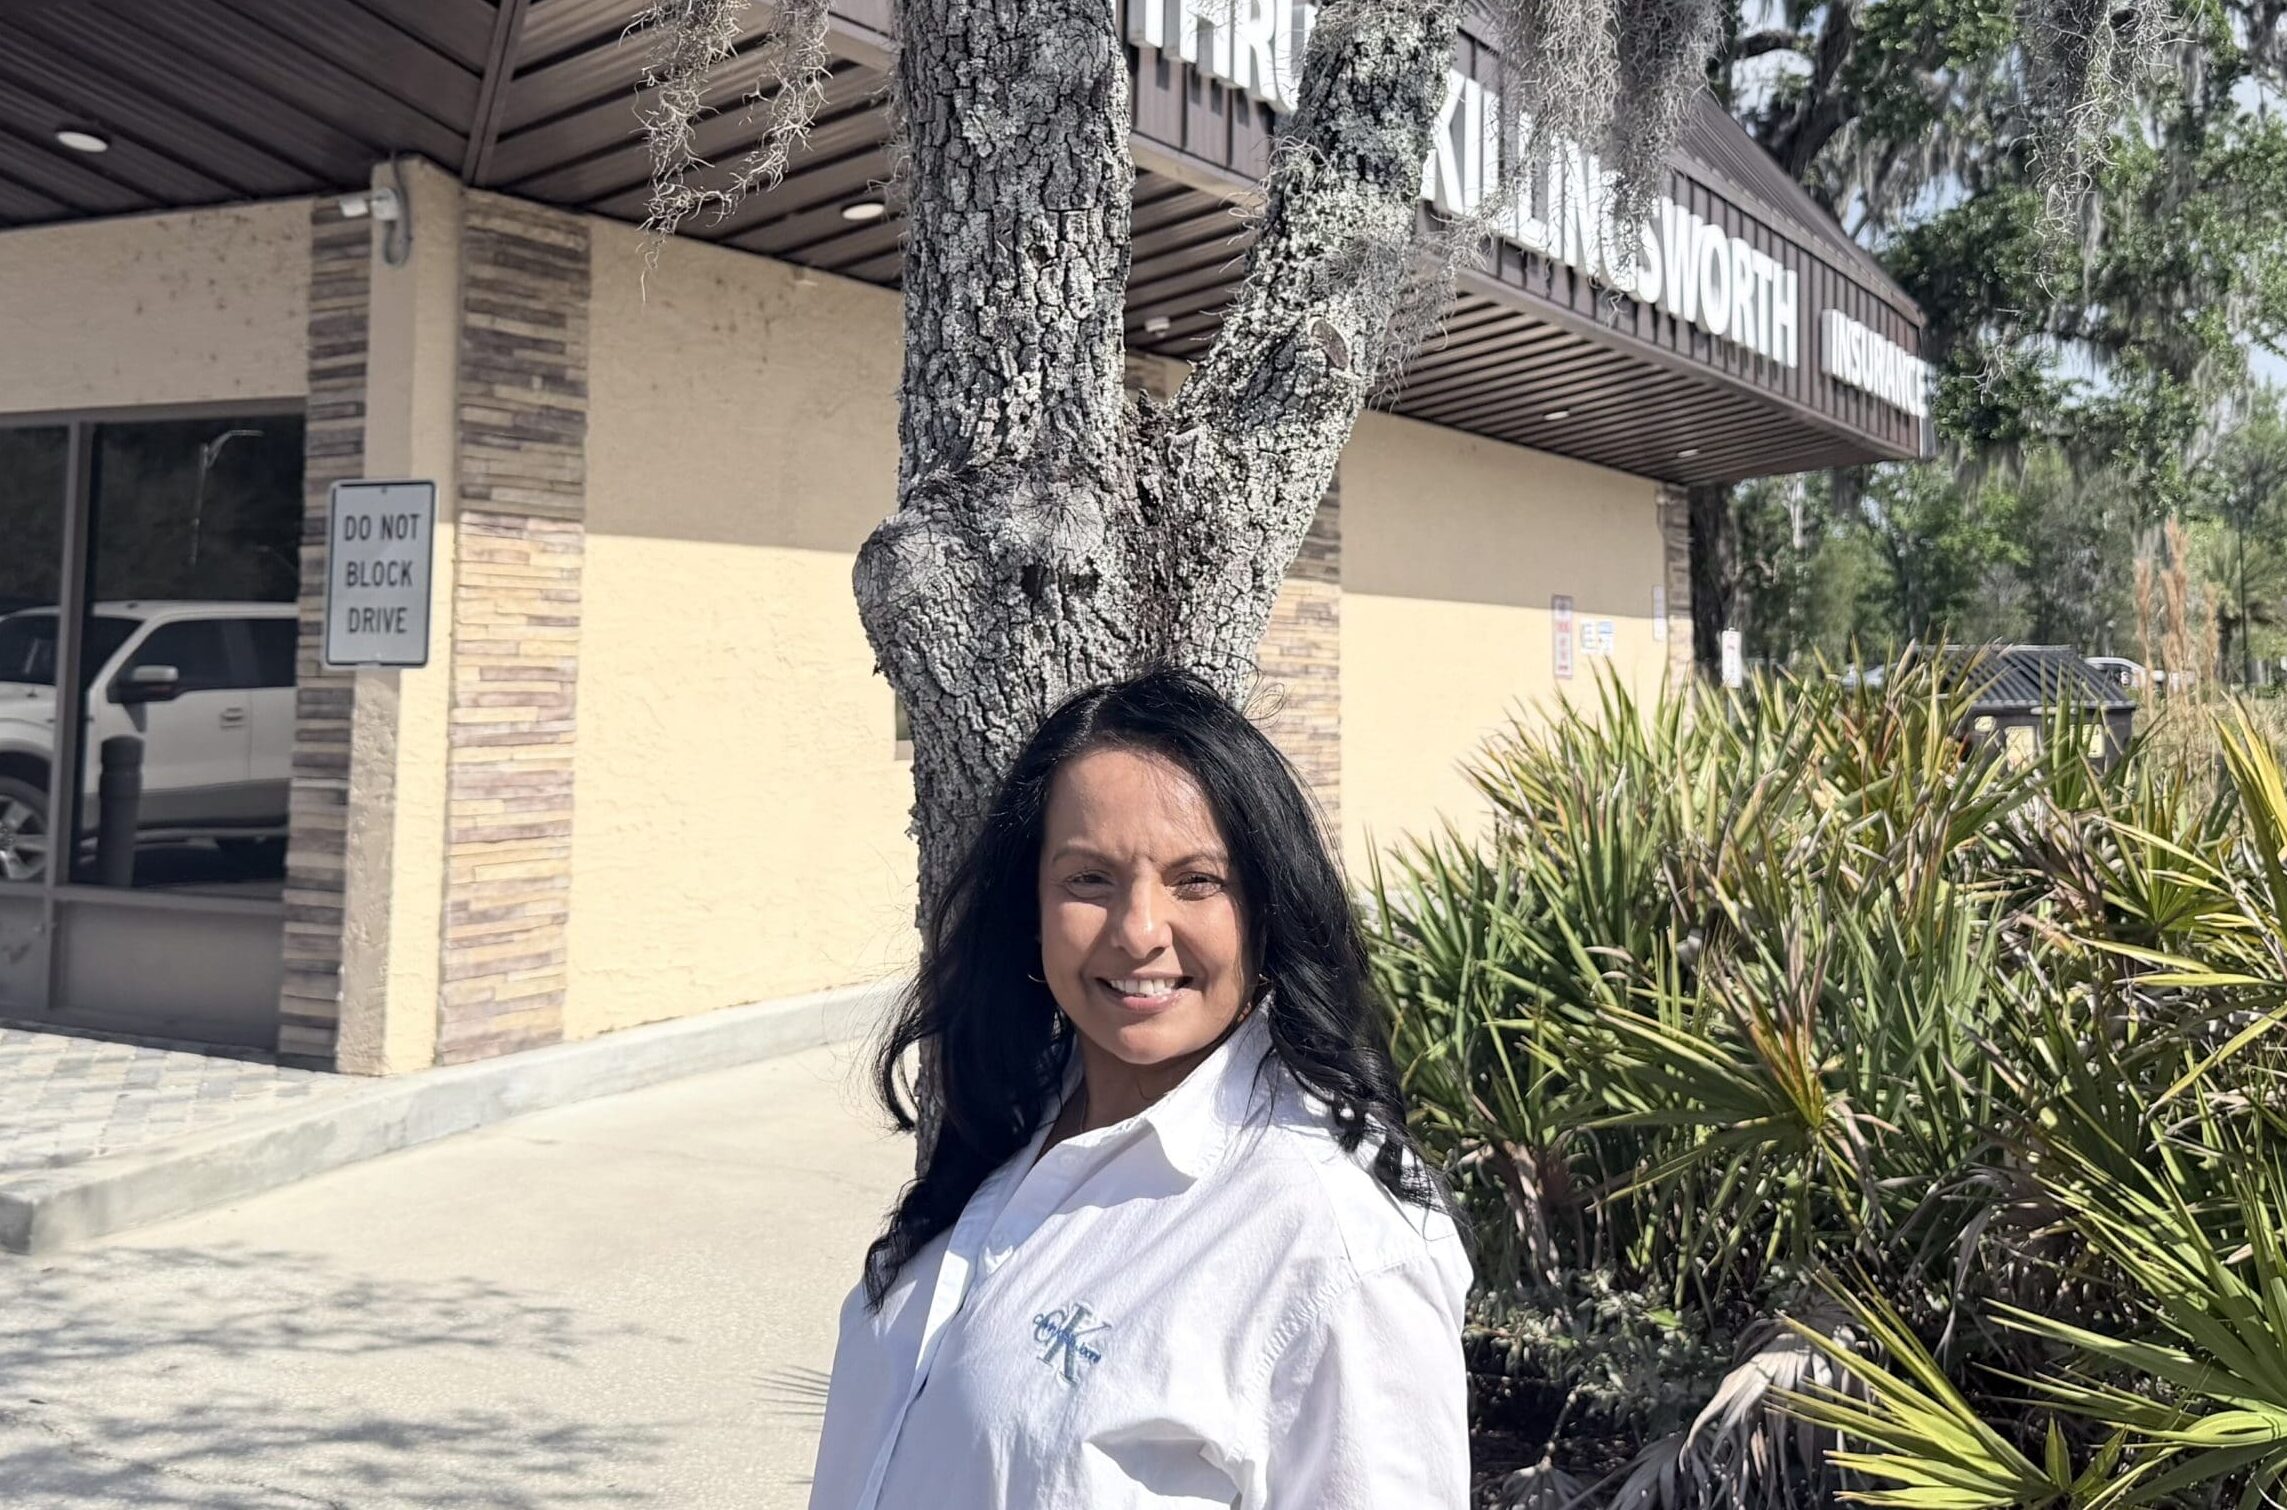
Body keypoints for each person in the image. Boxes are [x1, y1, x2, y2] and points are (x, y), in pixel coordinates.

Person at [807, 668, 1471, 1510]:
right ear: (1032, 906)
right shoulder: (1013, 1116)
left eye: (1197, 881)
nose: (1137, 933)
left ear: (1265, 908)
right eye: (1088, 880)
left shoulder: (1333, 1242)